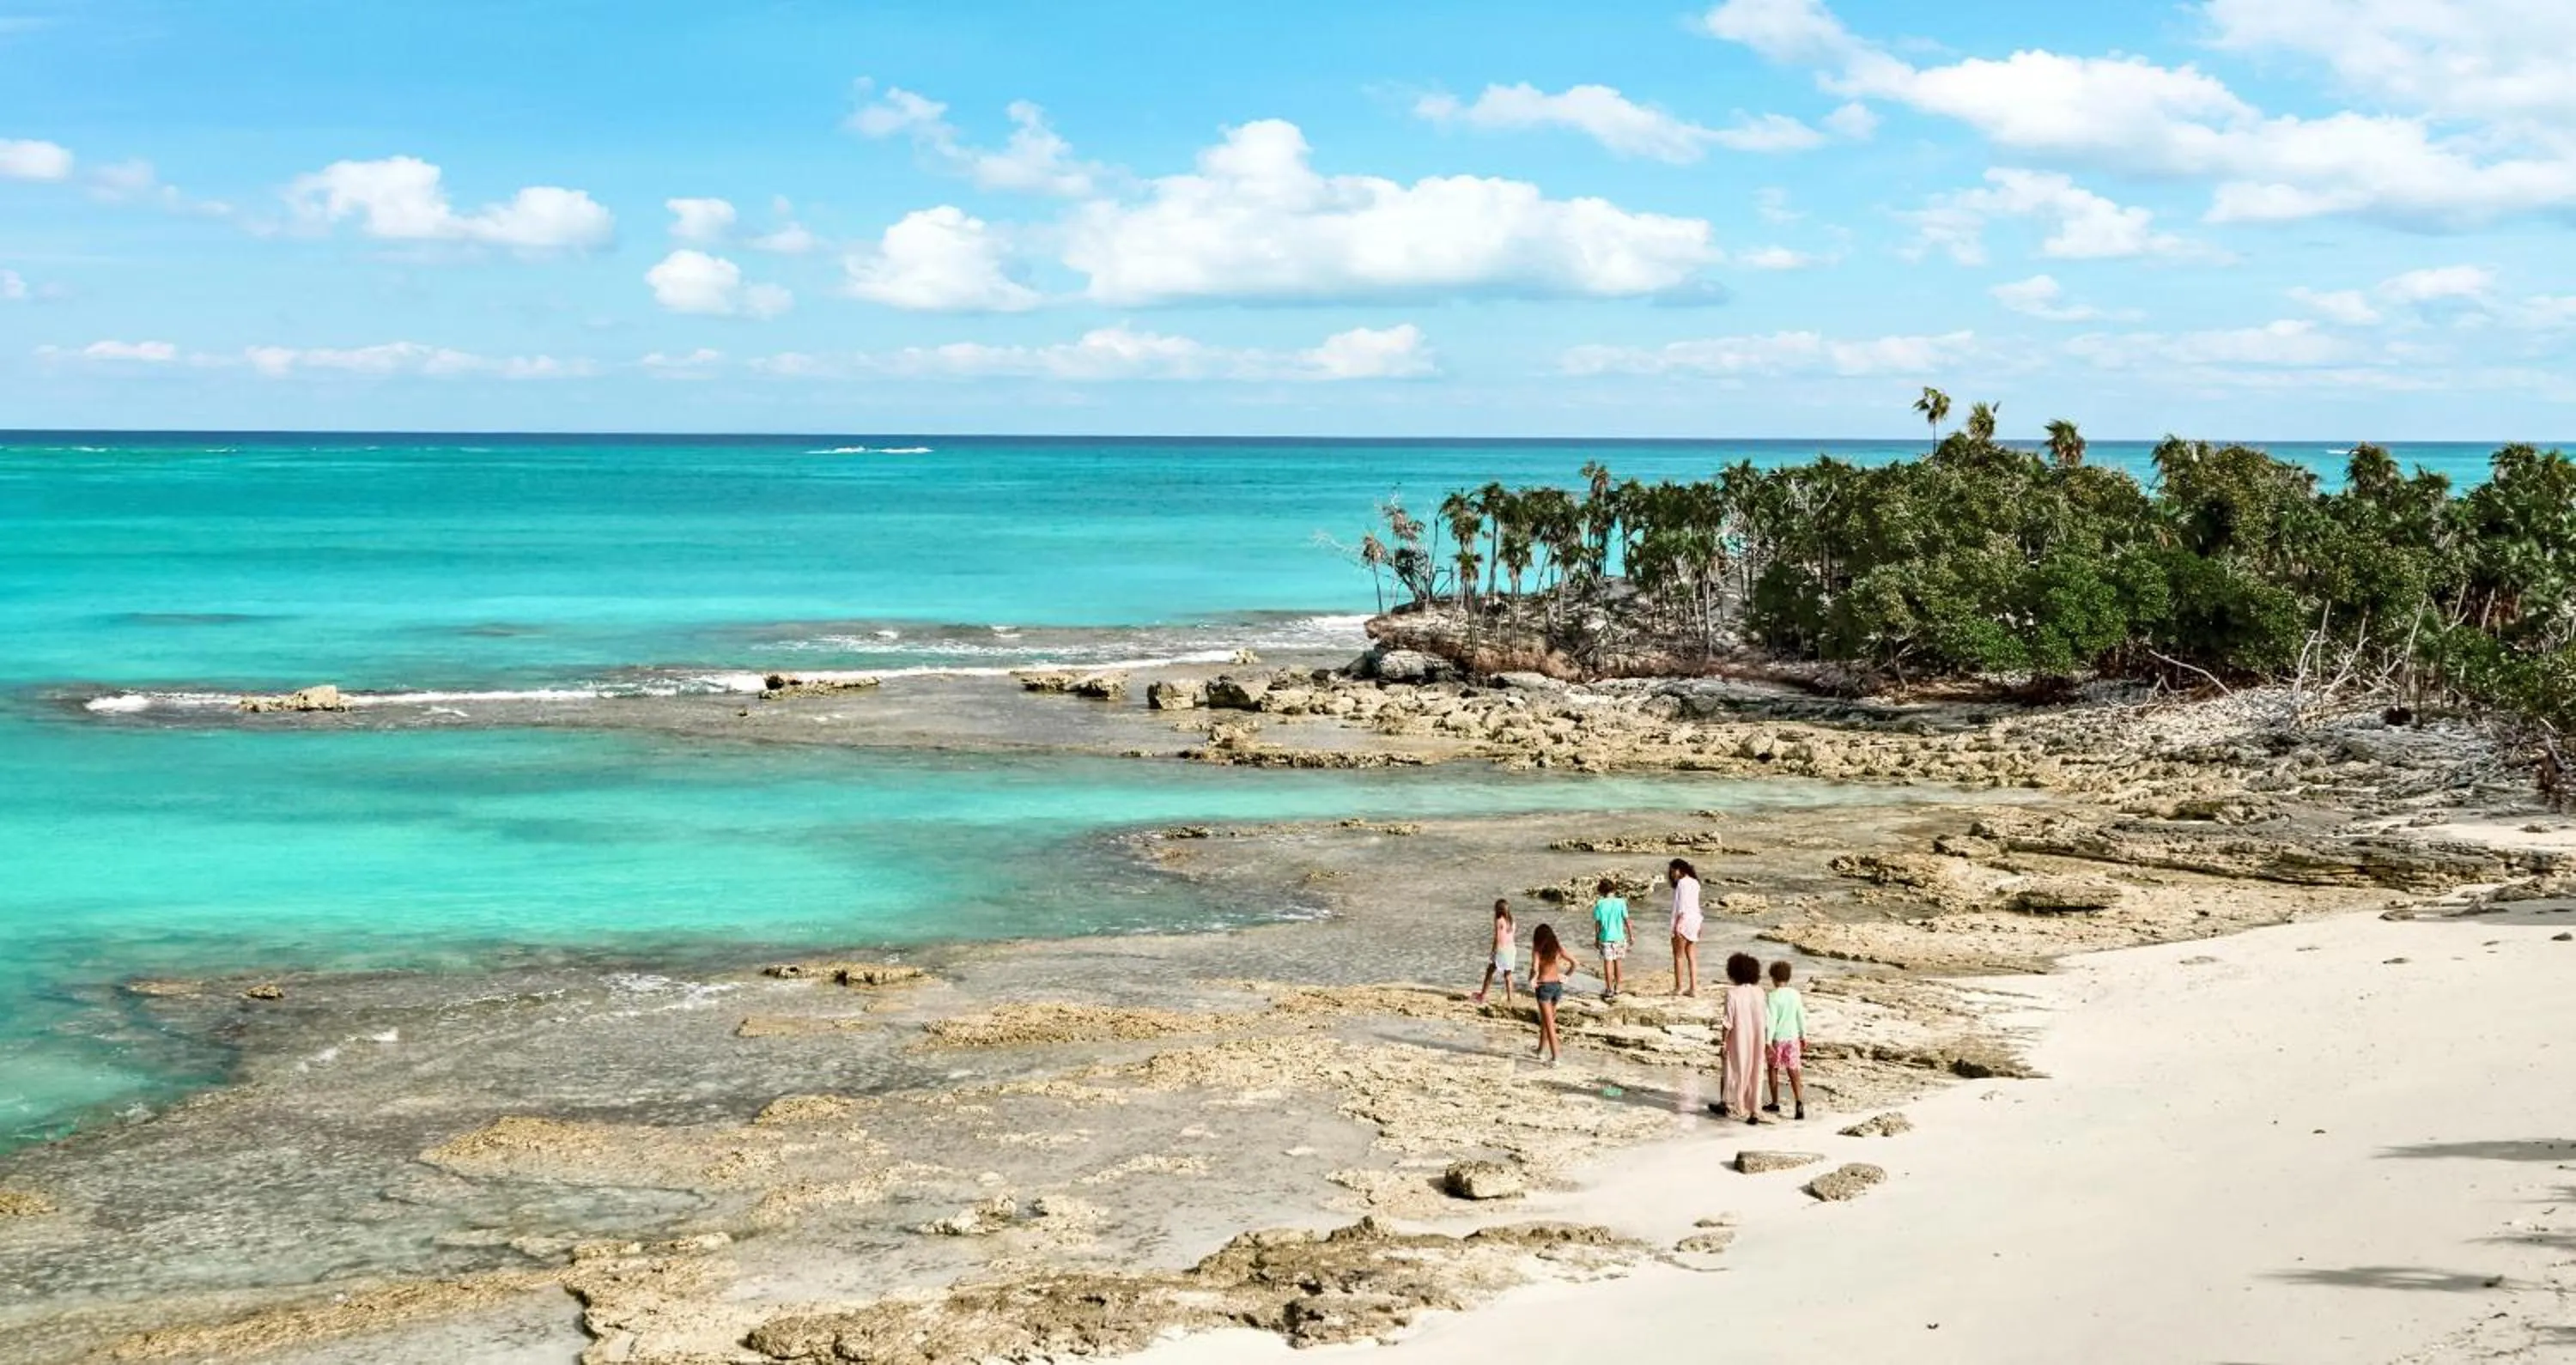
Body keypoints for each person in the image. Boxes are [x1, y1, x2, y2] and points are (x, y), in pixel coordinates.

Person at [1709, 952, 1768, 1123]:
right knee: (1755, 1071)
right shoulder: (1760, 992)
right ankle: (1754, 1110)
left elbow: (1728, 1022)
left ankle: (1731, 1103)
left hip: (1738, 1038)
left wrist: (1723, 1042)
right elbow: (1765, 1017)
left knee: (1734, 1070)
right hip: (1757, 1037)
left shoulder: (1732, 993)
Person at [1764, 960, 1808, 1120]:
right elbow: (1800, 1016)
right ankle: (1799, 1102)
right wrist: (1804, 1035)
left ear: (1773, 978)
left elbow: (1771, 1020)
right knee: (1794, 1070)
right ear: (1788, 977)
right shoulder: (1795, 994)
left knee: (1773, 1069)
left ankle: (1775, 1102)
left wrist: (1767, 1041)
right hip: (1793, 1037)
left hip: (1777, 1039)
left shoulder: (1772, 996)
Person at [1528, 924, 1578, 1065]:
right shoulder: (1557, 948)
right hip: (1557, 987)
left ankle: (1556, 1058)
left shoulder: (1537, 949)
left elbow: (1534, 968)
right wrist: (1567, 976)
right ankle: (1540, 1051)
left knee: (1549, 1024)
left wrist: (1532, 979)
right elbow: (1575, 963)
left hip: (1544, 987)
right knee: (1546, 1021)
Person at [1666, 859, 1703, 997]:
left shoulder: (1682, 883)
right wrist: (1700, 924)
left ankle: (1679, 987)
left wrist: (1677, 925)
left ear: (1680, 870)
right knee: (1692, 956)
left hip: (1683, 921)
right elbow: (1696, 905)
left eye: (1673, 871)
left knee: (1678, 956)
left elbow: (1682, 906)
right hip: (1695, 920)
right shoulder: (1695, 882)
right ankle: (1694, 988)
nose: (1672, 874)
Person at [1589, 878, 1630, 1001]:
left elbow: (1598, 923)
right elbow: (1626, 920)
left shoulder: (1600, 904)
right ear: (1613, 889)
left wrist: (1596, 938)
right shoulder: (1621, 902)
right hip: (1619, 937)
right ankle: (1618, 988)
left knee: (1608, 964)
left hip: (1606, 937)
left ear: (1602, 891)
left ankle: (1609, 989)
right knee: (1618, 962)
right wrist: (1631, 934)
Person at [1473, 899, 1516, 1004]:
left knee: (1490, 972)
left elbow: (1498, 938)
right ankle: (1510, 999)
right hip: (1511, 949)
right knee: (1508, 975)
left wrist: (1493, 951)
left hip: (1502, 950)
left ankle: (1483, 995)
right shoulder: (1512, 921)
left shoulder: (1499, 920)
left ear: (1498, 910)